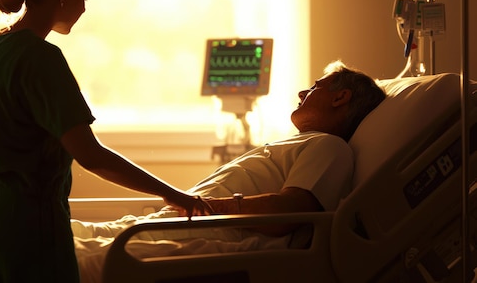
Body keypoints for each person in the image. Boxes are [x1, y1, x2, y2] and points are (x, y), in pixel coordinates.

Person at [0, 0, 210, 283]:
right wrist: (173, 194)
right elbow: (91, 156)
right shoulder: (40, 59)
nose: (84, 8)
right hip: (23, 236)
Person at [70, 61, 386, 282]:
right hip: (166, 224)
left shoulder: (330, 147)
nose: (303, 93)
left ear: (340, 97)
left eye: (315, 87)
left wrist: (208, 207)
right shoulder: (300, 144)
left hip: (203, 235)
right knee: (58, 236)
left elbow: (290, 213)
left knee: (71, 263)